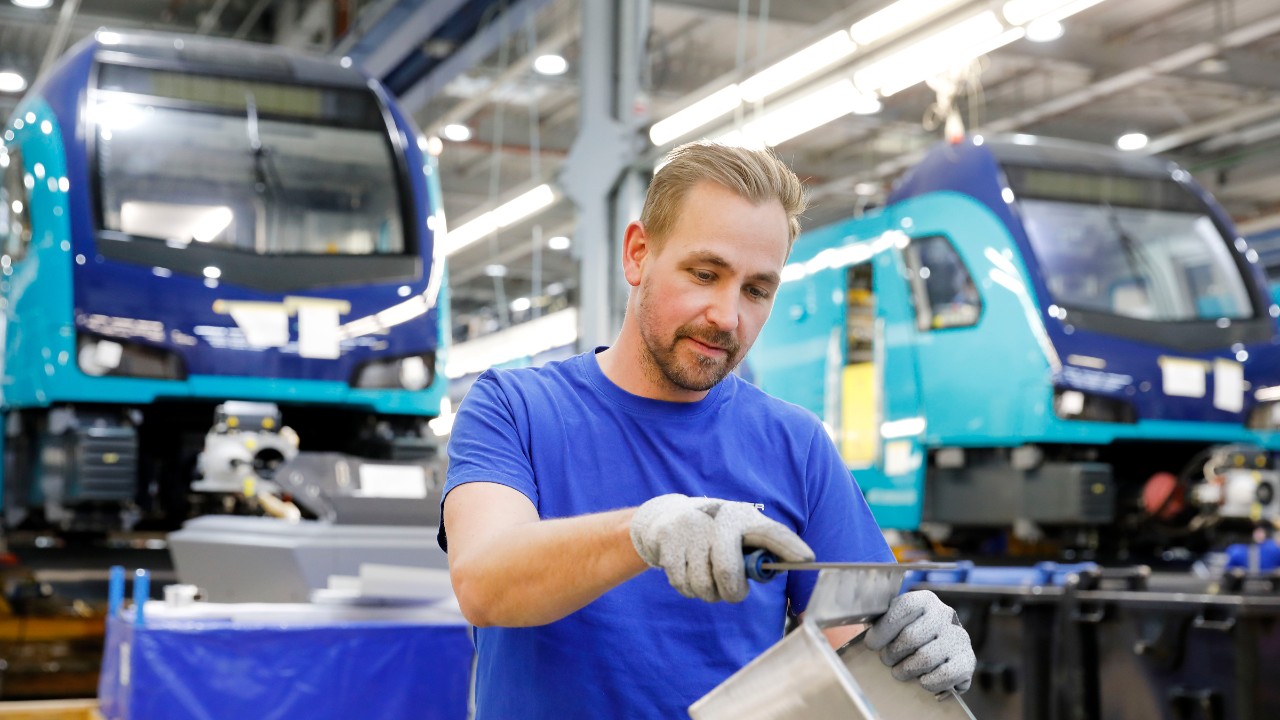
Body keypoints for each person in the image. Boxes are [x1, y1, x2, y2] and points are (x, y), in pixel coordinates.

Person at [441, 141, 975, 719]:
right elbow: (484, 583)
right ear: (638, 253)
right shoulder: (514, 407)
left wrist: (916, 648)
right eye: (705, 273)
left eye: (756, 290)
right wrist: (646, 530)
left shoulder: (796, 445)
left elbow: (862, 650)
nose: (727, 317)